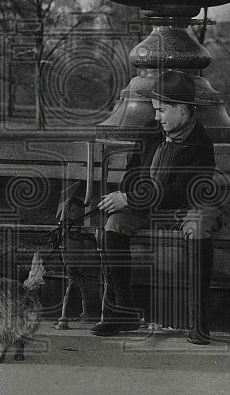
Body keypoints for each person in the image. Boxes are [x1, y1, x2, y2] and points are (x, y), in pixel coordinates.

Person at [90, 69, 223, 344]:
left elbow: (180, 191)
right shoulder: (152, 133)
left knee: (199, 226)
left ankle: (199, 322)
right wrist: (129, 193)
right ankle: (122, 312)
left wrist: (130, 199)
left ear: (183, 110)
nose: (156, 116)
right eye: (155, 110)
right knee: (114, 224)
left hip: (187, 207)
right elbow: (131, 172)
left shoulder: (201, 145)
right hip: (149, 208)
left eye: (162, 110)